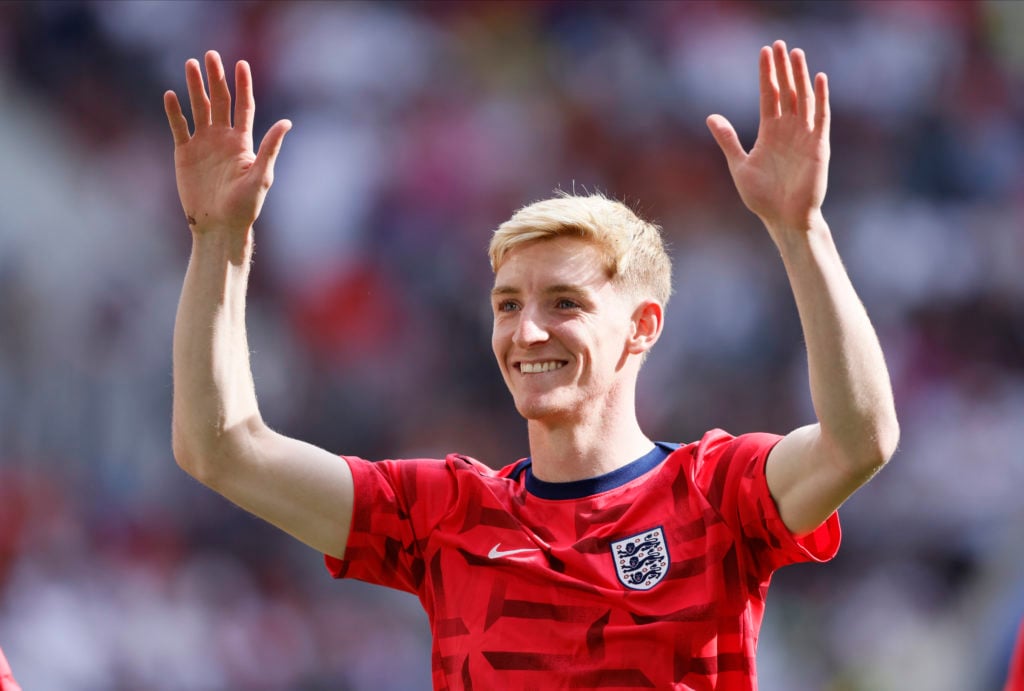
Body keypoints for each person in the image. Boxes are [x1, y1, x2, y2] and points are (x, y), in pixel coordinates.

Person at [164, 40, 899, 689]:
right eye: (508, 304)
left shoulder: (719, 493)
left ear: (642, 327)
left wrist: (802, 232)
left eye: (564, 302)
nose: (527, 329)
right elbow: (221, 445)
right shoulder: (443, 514)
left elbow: (858, 442)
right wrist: (218, 239)